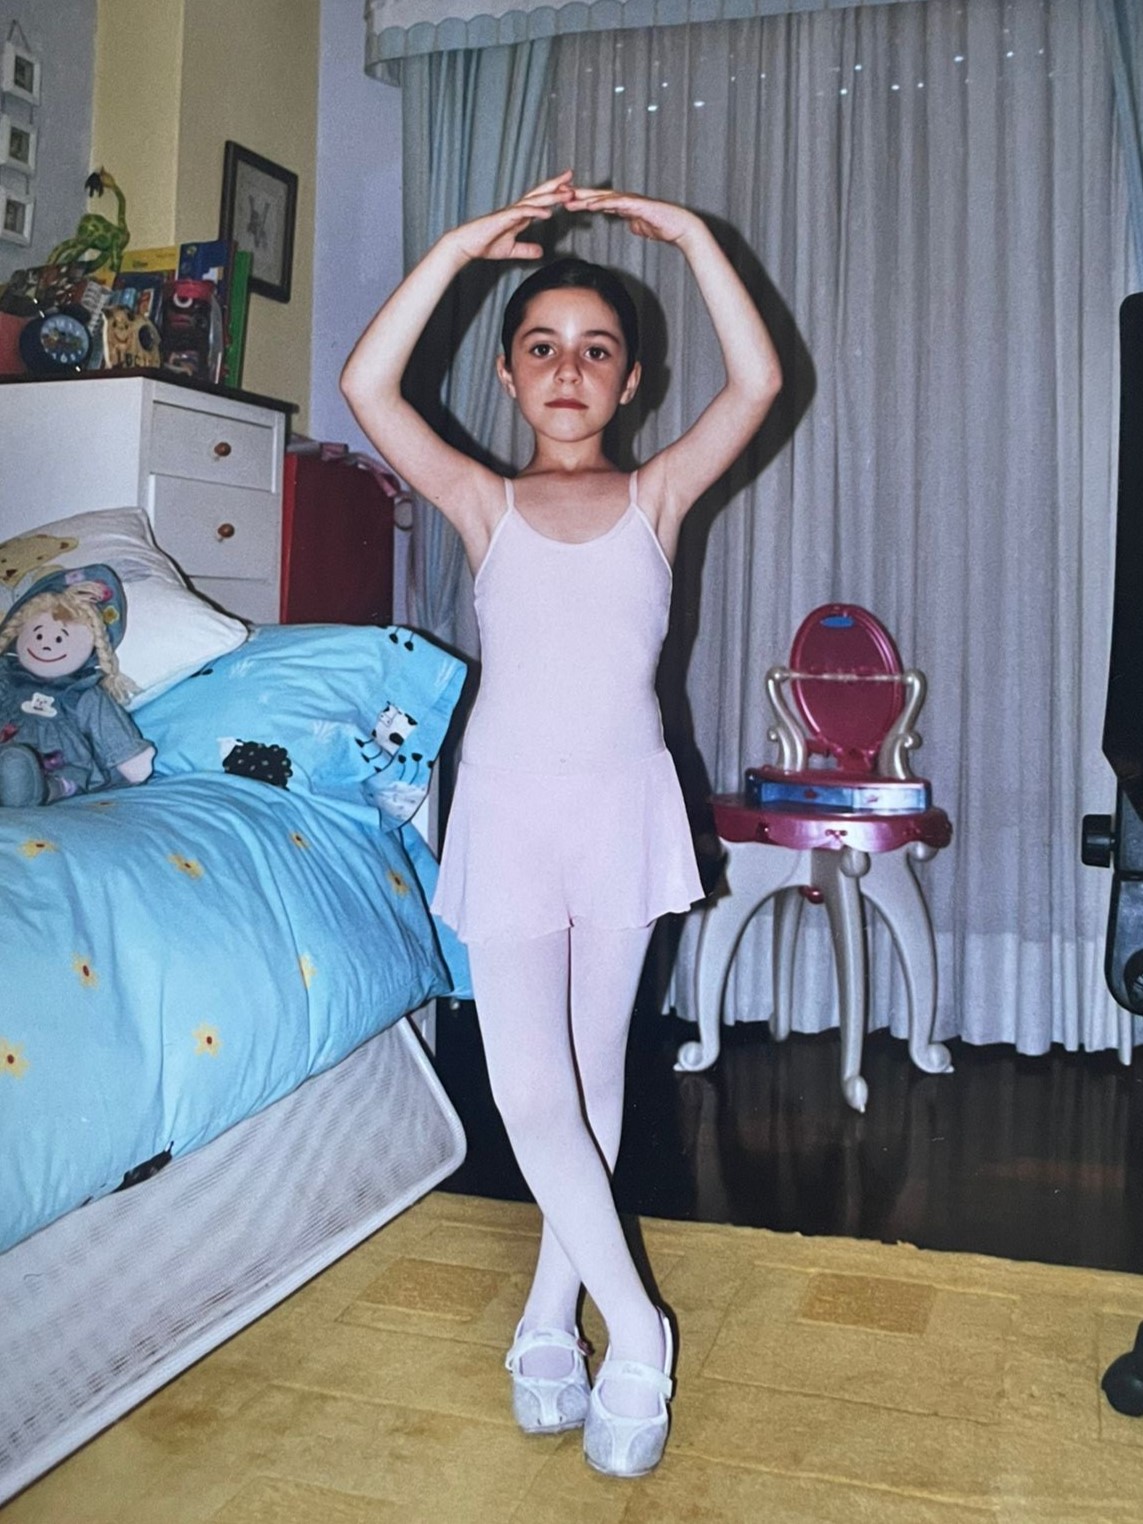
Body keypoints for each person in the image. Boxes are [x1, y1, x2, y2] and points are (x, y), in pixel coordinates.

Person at [341, 171, 781, 1477]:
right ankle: (638, 1330)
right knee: (528, 1089)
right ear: (508, 376)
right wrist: (458, 250)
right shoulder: (482, 501)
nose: (569, 369)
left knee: (589, 1081)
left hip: (622, 811)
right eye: (541, 347)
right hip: (512, 811)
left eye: (597, 350)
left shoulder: (658, 497)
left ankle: (547, 1321)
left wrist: (691, 235)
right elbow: (368, 385)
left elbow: (758, 381)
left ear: (632, 381)